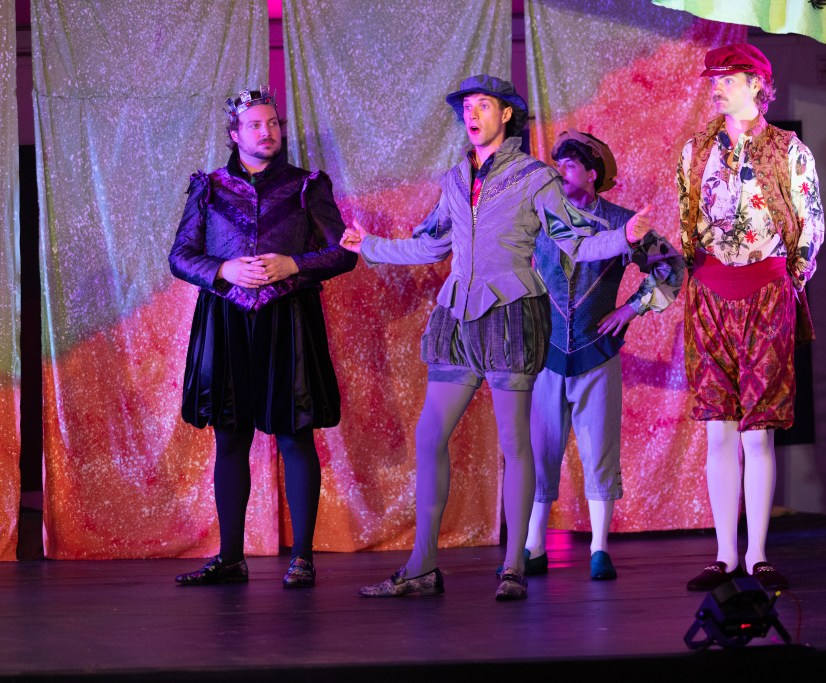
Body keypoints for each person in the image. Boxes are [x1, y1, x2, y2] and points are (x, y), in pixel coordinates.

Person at [340, 75, 651, 601]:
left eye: (483, 105)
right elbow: (432, 246)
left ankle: (514, 566)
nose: (472, 114)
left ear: (506, 114)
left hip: (510, 317)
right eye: (467, 106)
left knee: (515, 443)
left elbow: (575, 242)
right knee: (429, 436)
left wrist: (622, 236)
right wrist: (370, 246)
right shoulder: (455, 178)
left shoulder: (535, 177)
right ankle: (421, 566)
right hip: (458, 319)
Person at [169, 86, 357, 588]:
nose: (267, 131)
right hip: (227, 319)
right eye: (255, 125)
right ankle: (231, 558)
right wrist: (223, 269)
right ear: (235, 134)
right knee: (230, 437)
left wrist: (294, 264)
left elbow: (343, 252)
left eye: (273, 123)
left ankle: (303, 559)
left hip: (288, 319)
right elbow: (180, 256)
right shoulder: (209, 187)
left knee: (295, 435)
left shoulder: (307, 185)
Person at [676, 44, 825, 592]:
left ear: (757, 83)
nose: (717, 87)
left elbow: (810, 225)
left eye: (728, 78)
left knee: (758, 433)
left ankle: (757, 552)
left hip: (766, 291)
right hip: (710, 293)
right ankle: (724, 554)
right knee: (718, 431)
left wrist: (787, 284)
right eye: (713, 78)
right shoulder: (695, 149)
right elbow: (687, 223)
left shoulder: (788, 149)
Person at [521, 130, 684, 581]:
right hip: (546, 352)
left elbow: (671, 266)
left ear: (592, 174)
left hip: (596, 352)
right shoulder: (540, 216)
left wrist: (631, 308)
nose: (560, 172)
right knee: (540, 449)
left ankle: (598, 549)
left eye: (570, 165)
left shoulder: (622, 222)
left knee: (599, 450)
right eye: (558, 164)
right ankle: (533, 546)